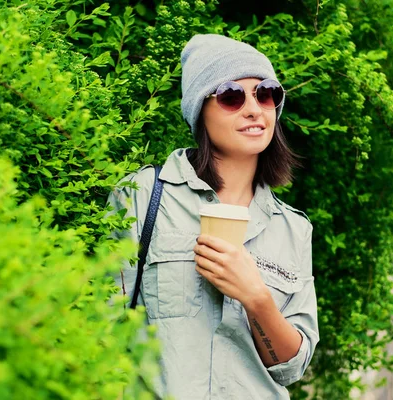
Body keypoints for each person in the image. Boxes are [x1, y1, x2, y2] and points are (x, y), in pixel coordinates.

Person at [108, 33, 319, 399]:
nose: (254, 109)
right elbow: (102, 327)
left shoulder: (293, 228)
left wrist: (256, 298)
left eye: (265, 93)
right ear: (198, 109)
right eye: (231, 96)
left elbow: (291, 367)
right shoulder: (143, 196)